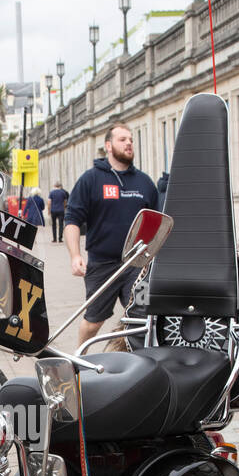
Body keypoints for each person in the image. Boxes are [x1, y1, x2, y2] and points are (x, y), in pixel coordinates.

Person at [64, 122, 159, 347]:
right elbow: (72, 221)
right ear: (108, 146)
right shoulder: (91, 179)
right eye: (122, 139)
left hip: (137, 266)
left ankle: (139, 364)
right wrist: (75, 256)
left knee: (141, 318)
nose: (128, 143)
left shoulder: (144, 183)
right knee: (93, 322)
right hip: (102, 265)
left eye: (131, 140)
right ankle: (78, 359)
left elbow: (158, 222)